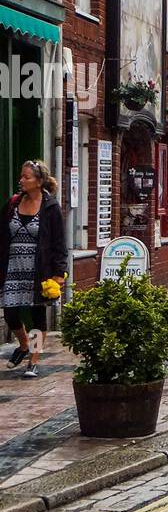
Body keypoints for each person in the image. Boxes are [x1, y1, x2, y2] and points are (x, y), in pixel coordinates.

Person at [1, 161, 68, 380]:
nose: (21, 180)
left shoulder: (50, 207)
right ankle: (23, 344)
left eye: (26, 177)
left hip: (38, 269)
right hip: (12, 266)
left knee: (38, 316)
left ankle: (34, 359)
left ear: (39, 182)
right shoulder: (13, 203)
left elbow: (59, 243)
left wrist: (58, 273)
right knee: (10, 313)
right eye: (21, 176)